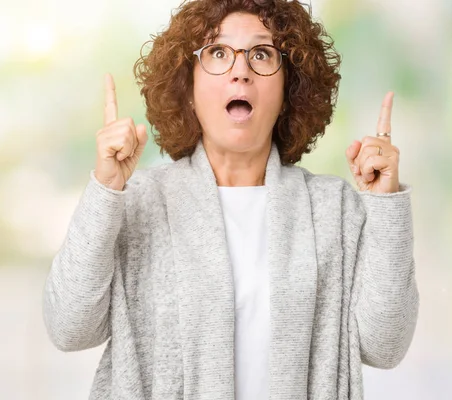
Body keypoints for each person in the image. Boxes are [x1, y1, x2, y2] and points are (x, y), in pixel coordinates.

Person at [42, 0, 419, 399]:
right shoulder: (136, 203)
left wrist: (385, 206)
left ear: (289, 89)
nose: (241, 71)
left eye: (261, 53)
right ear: (188, 87)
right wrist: (104, 190)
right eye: (218, 53)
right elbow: (69, 328)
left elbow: (386, 346)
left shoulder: (334, 209)